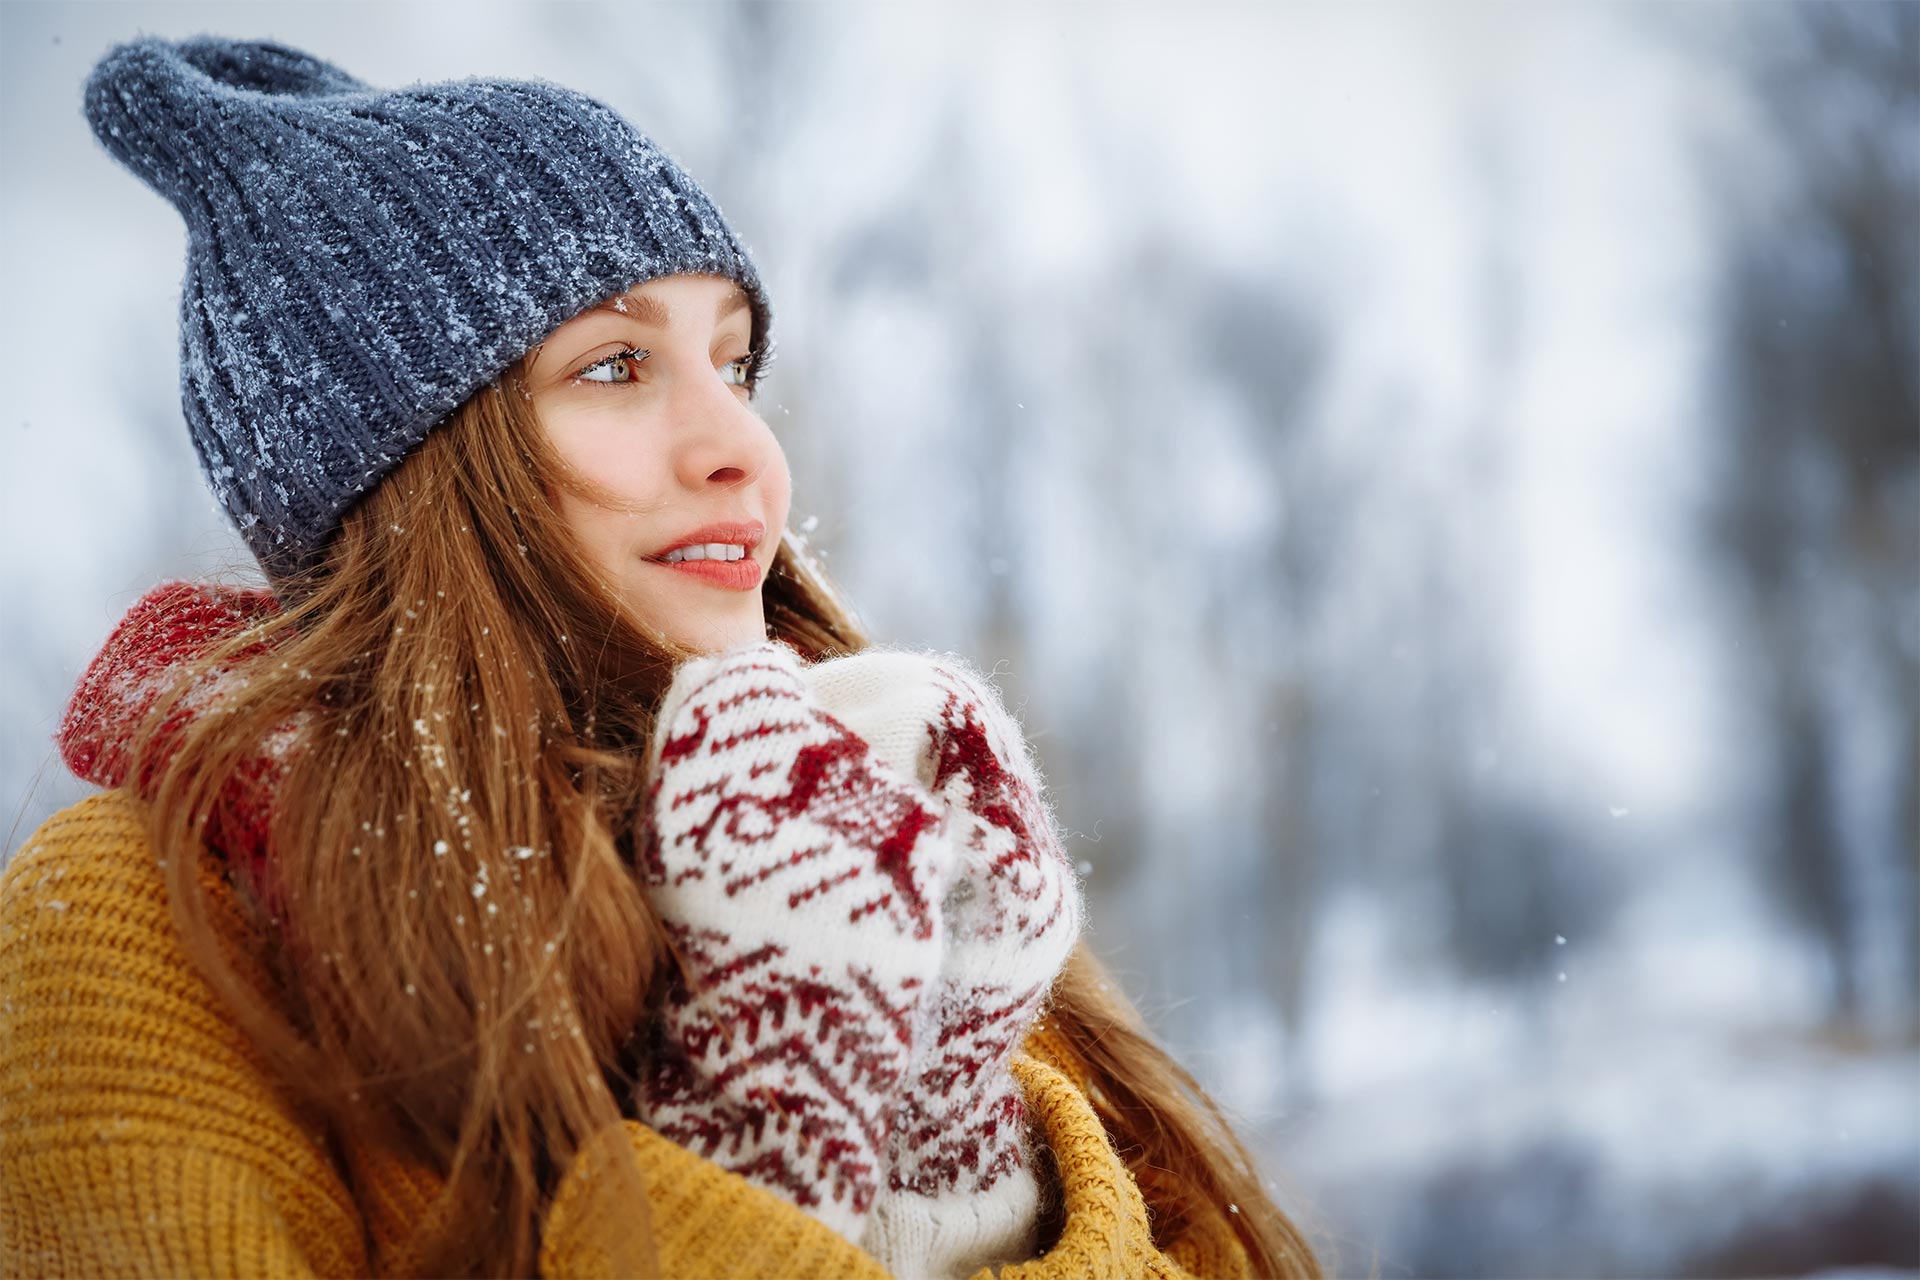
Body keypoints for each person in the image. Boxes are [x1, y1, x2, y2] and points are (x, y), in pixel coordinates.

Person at [0, 34, 1328, 1280]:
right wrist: (769, 1143)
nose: (744, 448)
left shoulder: (861, 819)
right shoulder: (150, 920)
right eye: (617, 366)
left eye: (735, 364)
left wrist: (948, 1158)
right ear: (414, 473)